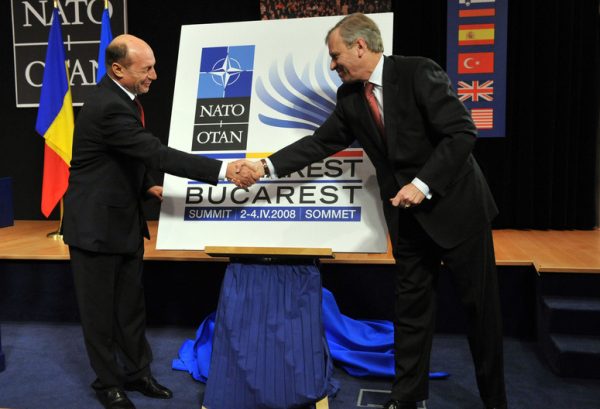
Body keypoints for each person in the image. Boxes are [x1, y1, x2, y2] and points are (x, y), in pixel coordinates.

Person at [248, 13, 507, 409]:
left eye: (335, 55)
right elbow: (319, 143)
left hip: (458, 211)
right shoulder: (350, 97)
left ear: (360, 46)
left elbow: (461, 133)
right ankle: (406, 398)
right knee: (410, 313)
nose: (332, 65)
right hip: (407, 220)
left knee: (480, 311)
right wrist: (264, 167)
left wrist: (422, 185)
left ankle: (495, 401)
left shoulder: (418, 72)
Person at [62, 34, 256, 409]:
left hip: (122, 222)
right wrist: (223, 170)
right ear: (118, 69)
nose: (154, 75)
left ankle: (138, 374)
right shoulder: (108, 106)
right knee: (100, 314)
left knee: (130, 308)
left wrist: (147, 185)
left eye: (153, 66)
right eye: (146, 69)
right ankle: (108, 384)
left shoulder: (123, 98)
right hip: (94, 228)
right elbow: (154, 152)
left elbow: (121, 157)